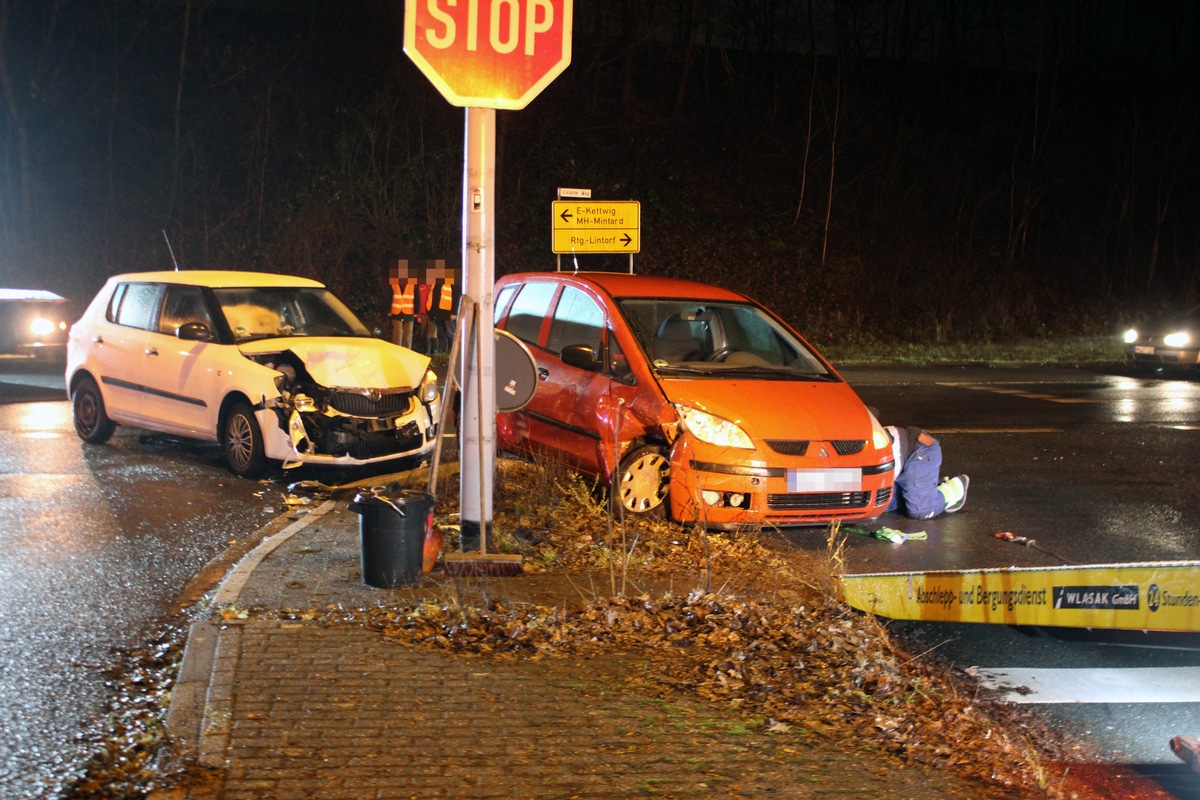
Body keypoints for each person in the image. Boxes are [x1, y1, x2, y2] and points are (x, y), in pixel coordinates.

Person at [885, 425, 968, 519]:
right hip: (897, 461)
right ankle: (924, 491)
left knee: (921, 511)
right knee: (878, 504)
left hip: (916, 452)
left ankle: (956, 487)